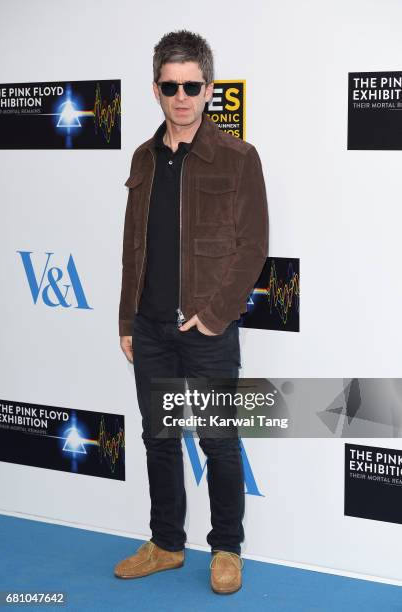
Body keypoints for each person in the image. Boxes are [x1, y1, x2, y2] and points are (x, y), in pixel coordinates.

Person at [114, 29, 268, 594]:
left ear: (208, 89)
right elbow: (134, 244)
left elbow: (253, 247)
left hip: (206, 330)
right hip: (150, 328)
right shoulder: (143, 159)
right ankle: (166, 544)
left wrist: (214, 315)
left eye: (192, 85)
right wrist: (127, 320)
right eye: (170, 85)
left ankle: (226, 548)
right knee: (159, 438)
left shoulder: (237, 157)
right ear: (156, 89)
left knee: (218, 442)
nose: (181, 96)